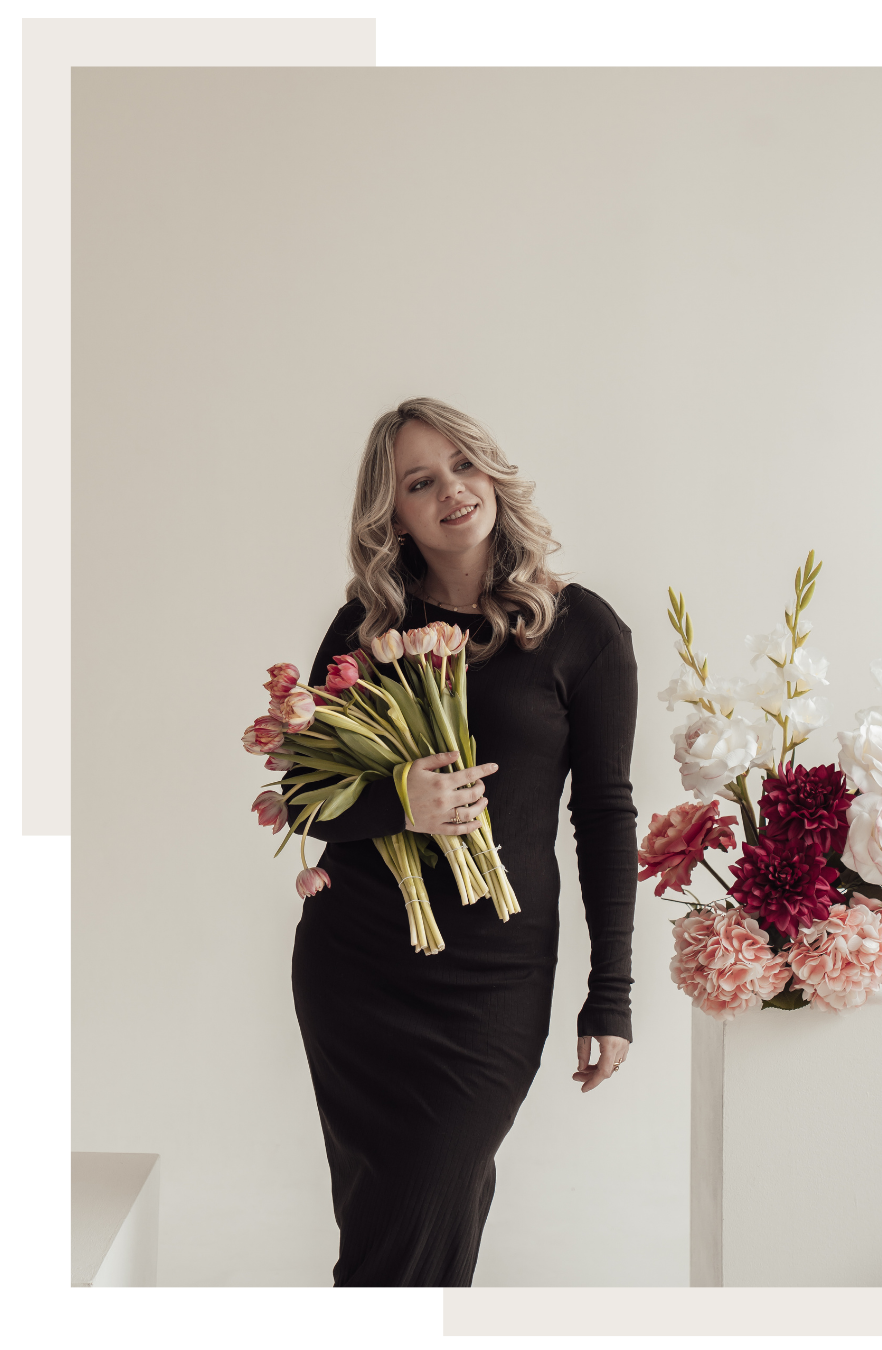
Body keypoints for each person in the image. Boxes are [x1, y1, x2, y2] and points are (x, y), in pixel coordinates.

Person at [289, 397, 638, 1287]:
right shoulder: (365, 632)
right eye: (420, 482)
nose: (452, 491)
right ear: (394, 515)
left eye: (463, 465)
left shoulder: (581, 629)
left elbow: (604, 814)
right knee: (395, 1233)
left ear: (493, 473)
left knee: (423, 1213)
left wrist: (611, 993)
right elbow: (302, 796)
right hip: (359, 966)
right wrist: (398, 801)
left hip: (493, 979)